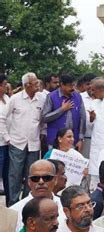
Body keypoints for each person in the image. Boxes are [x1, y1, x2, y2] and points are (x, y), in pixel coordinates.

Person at [0, 72, 45, 206]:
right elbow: (2, 118)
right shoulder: (15, 98)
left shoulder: (42, 98)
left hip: (34, 144)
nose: (38, 85)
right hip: (17, 143)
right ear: (27, 85)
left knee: (31, 175)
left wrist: (42, 134)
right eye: (35, 83)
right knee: (15, 175)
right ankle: (13, 205)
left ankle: (27, 203)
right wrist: (7, 138)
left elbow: (43, 119)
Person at [10, 160, 67, 232]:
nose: (41, 182)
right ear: (29, 181)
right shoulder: (14, 212)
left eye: (47, 178)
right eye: (35, 178)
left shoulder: (65, 207)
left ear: (55, 180)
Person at [41, 74, 86, 152]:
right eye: (69, 86)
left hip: (73, 141)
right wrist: (62, 109)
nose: (72, 88)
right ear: (61, 85)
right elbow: (44, 118)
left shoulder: (77, 96)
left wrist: (80, 139)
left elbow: (82, 117)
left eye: (73, 85)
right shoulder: (51, 96)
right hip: (55, 141)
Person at [78, 73, 97, 159]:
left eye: (91, 83)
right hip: (85, 138)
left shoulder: (103, 98)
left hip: (100, 139)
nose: (89, 86)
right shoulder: (79, 98)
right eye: (87, 84)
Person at [0, 74, 10, 200]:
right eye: (4, 84)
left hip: (8, 142)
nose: (6, 86)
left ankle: (9, 201)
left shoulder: (7, 98)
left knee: (7, 173)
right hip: (1, 141)